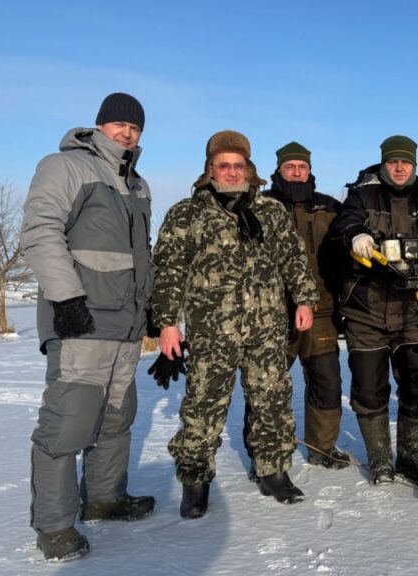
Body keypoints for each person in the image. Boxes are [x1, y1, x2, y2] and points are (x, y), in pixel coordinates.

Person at [151, 130, 319, 517]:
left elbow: (293, 258)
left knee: (272, 400)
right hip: (212, 331)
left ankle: (273, 471)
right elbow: (169, 271)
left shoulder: (270, 211)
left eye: (237, 165)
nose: (230, 172)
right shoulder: (187, 214)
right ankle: (195, 479)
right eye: (222, 166)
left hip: (266, 326)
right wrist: (167, 323)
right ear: (210, 169)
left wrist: (305, 298)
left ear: (249, 168)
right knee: (203, 405)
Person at [21, 92, 154, 561]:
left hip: (126, 325)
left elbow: (140, 257)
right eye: (118, 123)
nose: (126, 132)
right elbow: (40, 232)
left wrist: (149, 306)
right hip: (82, 322)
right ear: (99, 125)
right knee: (68, 424)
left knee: (116, 420)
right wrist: (68, 298)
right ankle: (55, 527)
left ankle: (103, 499)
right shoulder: (66, 167)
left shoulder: (137, 185)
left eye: (134, 127)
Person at [329, 135, 418, 485]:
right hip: (367, 309)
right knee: (369, 390)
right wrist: (356, 236)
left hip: (413, 312)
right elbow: (344, 224)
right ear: (383, 164)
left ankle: (408, 454)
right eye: (393, 161)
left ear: (414, 165)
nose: (399, 167)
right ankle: (379, 459)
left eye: (405, 162)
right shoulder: (362, 196)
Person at [241, 142, 349, 471]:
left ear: (310, 169)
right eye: (291, 166)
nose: (297, 171)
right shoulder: (259, 205)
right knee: (266, 385)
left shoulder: (329, 206)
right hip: (272, 313)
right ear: (279, 170)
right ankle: (262, 451)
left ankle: (322, 447)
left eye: (303, 166)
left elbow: (345, 254)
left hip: (321, 310)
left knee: (326, 380)